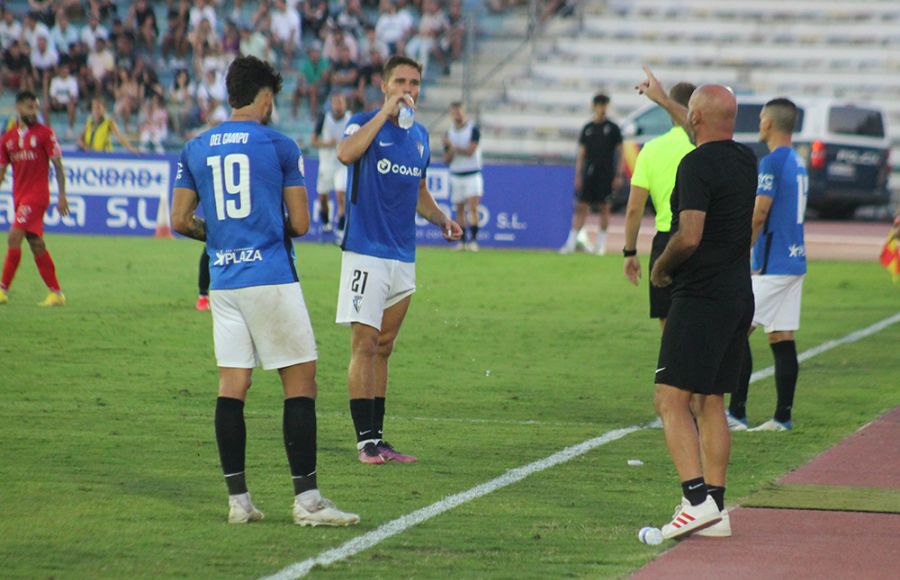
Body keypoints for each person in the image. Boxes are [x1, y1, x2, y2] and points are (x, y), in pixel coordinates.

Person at [171, 55, 360, 527]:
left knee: (232, 387)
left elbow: (179, 220)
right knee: (301, 382)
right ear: (266, 97)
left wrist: (217, 237)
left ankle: (239, 502)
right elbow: (299, 221)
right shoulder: (279, 144)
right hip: (270, 277)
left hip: (224, 281)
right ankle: (309, 502)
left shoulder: (195, 146)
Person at [637, 67, 757, 540]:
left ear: (697, 118)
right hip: (737, 293)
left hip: (701, 294)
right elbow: (699, 121)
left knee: (670, 399)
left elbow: (688, 236)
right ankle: (717, 510)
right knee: (712, 402)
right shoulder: (746, 160)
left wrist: (661, 268)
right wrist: (667, 100)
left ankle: (693, 501)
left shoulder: (695, 165)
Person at [335, 55, 462, 464]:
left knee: (385, 347)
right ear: (385, 85)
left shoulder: (421, 136)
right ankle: (364, 442)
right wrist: (383, 115)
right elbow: (345, 153)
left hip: (403, 255)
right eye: (401, 82)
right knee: (365, 343)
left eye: (415, 83)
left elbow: (419, 190)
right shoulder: (362, 122)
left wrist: (441, 218)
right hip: (365, 252)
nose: (409, 89)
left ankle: (379, 438)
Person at [727, 98, 808, 433]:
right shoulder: (798, 162)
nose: (758, 124)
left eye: (761, 119)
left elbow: (760, 213)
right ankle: (782, 417)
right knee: (781, 335)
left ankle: (736, 413)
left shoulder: (772, 162)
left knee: (735, 330)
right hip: (795, 258)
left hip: (772, 263)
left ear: (771, 124)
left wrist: (740, 250)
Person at [623, 82, 696, 331]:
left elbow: (634, 209)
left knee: (669, 326)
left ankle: (672, 370)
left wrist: (630, 252)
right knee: (701, 319)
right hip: (699, 238)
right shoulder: (702, 144)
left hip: (666, 241)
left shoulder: (651, 150)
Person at [0, 90, 68, 306]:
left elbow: (57, 164)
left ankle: (2, 289)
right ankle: (56, 293)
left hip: (37, 196)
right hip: (19, 197)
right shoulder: (7, 139)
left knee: (13, 237)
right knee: (36, 243)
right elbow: (1, 171)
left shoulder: (45, 134)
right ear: (18, 108)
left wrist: (62, 195)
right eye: (30, 107)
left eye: (36, 107)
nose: (33, 111)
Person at [559, 93, 623, 255]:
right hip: (589, 173)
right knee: (582, 206)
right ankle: (571, 242)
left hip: (606, 173)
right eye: (599, 104)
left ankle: (600, 244)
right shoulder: (588, 129)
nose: (602, 108)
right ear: (594, 106)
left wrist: (618, 174)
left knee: (604, 207)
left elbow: (620, 152)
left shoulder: (613, 129)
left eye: (604, 105)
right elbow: (581, 154)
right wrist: (578, 174)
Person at [443, 101, 484, 251]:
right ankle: (461, 241)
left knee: (473, 207)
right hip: (456, 174)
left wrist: (453, 147)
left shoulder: (473, 129)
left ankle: (473, 241)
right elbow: (446, 159)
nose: (457, 114)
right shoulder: (449, 132)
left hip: (472, 173)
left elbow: (470, 151)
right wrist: (451, 150)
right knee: (459, 209)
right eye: (454, 111)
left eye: (459, 111)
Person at [312, 93, 352, 241]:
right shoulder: (324, 118)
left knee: (341, 195)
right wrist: (327, 144)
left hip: (342, 164)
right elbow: (314, 140)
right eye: (336, 102)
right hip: (326, 164)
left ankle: (341, 231)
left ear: (345, 104)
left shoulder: (350, 119)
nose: (338, 105)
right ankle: (326, 224)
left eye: (341, 102)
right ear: (332, 104)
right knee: (323, 198)